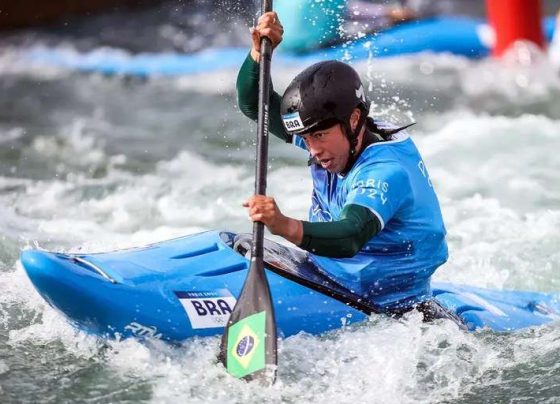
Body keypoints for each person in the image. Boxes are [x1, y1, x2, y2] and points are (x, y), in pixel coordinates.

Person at [238, 12, 451, 318]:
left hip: (393, 308)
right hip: (324, 276)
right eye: (305, 137)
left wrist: (283, 225)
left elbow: (350, 235)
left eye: (319, 135)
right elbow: (254, 105)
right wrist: (259, 50)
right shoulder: (335, 137)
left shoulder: (385, 172)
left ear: (353, 120)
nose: (312, 149)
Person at [276, 0, 452, 53]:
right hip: (317, 47)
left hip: (286, 46)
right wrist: (391, 13)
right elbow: (352, 11)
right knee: (380, 24)